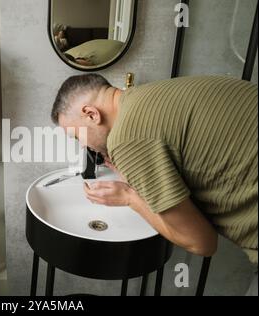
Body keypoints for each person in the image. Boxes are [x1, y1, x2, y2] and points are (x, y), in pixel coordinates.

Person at [51, 74, 258, 295]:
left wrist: (130, 198)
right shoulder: (147, 97)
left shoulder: (126, 139)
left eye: (77, 136)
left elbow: (202, 243)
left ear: (91, 114)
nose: (84, 145)